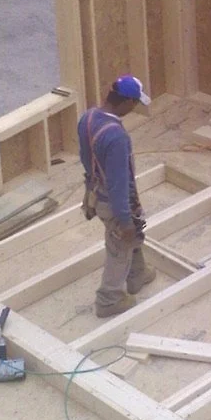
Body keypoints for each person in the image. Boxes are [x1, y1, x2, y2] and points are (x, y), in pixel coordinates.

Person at [78, 75, 156, 318]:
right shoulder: (116, 138)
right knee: (120, 245)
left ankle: (137, 274)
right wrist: (125, 220)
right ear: (127, 102)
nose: (134, 108)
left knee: (132, 235)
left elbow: (86, 159)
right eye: (135, 104)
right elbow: (118, 184)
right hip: (112, 203)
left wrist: (88, 192)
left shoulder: (88, 117)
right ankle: (109, 299)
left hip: (96, 193)